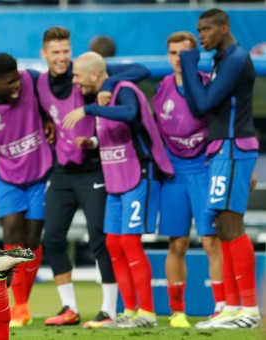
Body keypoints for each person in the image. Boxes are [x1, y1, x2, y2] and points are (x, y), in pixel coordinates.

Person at [37, 26, 149, 328]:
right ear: (44, 54)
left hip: (95, 168)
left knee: (100, 240)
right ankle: (69, 308)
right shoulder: (39, 85)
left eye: (66, 51)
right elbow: (45, 114)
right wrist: (48, 124)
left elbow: (141, 69)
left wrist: (109, 82)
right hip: (61, 171)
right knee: (53, 238)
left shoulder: (87, 71)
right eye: (56, 52)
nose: (62, 58)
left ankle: (109, 310)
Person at [63, 52, 174, 328]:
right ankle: (129, 311)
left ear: (93, 75)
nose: (74, 81)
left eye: (77, 76)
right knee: (113, 242)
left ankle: (147, 313)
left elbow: (130, 115)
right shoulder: (102, 95)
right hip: (116, 179)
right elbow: (117, 132)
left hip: (139, 174)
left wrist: (89, 110)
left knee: (129, 242)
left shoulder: (124, 89)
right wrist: (92, 141)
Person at [179, 8, 261, 329]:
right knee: (223, 226)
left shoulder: (237, 59)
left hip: (233, 147)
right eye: (198, 30)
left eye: (206, 29)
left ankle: (249, 310)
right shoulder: (222, 60)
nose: (201, 36)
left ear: (224, 27)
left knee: (231, 224)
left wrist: (187, 63)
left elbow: (201, 104)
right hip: (222, 149)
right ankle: (232, 306)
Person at [0, 52, 52, 327]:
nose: (16, 85)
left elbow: (52, 98)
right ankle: (20, 307)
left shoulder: (31, 79)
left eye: (17, 79)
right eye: (10, 82)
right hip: (7, 175)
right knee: (12, 233)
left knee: (32, 238)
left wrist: (47, 118)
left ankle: (24, 303)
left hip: (39, 172)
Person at [152, 31, 225, 328]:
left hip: (204, 171)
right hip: (174, 176)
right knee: (177, 244)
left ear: (195, 56)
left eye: (185, 53)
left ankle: (222, 307)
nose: (178, 59)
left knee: (210, 242)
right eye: (173, 53)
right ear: (167, 57)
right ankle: (177, 311)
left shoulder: (210, 87)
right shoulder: (161, 89)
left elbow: (224, 128)